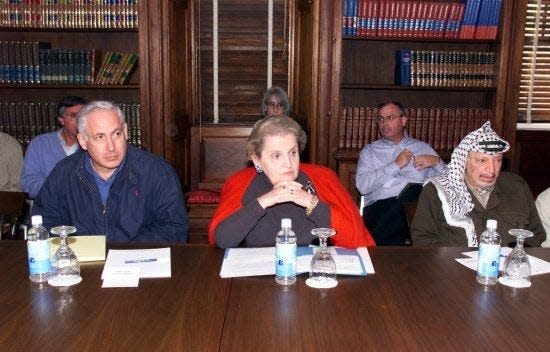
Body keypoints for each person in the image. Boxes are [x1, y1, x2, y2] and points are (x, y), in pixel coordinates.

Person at [31, 101, 188, 242]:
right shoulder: (64, 173)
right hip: (82, 264)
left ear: (126, 131)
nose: (111, 147)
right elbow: (45, 223)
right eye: (100, 137)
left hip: (139, 262)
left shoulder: (156, 172)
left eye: (116, 134)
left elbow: (174, 229)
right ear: (83, 141)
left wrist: (124, 253)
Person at [209, 116, 374, 248]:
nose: (288, 163)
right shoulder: (240, 183)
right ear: (257, 160)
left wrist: (311, 202)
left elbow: (356, 238)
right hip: (259, 279)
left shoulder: (323, 178)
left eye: (292, 153)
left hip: (313, 274)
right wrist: (265, 201)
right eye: (276, 155)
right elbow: (222, 240)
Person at [411, 121, 545, 247]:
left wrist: (516, 256)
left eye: (497, 160)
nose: (492, 170)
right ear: (464, 162)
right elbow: (423, 239)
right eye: (482, 161)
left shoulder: (516, 186)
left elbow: (536, 233)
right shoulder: (437, 190)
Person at [355, 101, 446, 245]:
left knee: (416, 191)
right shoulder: (370, 151)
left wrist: (437, 162)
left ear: (403, 120)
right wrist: (395, 165)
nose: (384, 123)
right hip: (379, 209)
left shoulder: (423, 148)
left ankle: (371, 247)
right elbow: (362, 187)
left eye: (390, 118)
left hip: (416, 210)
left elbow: (450, 186)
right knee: (414, 193)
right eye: (380, 119)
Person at [21, 96, 87, 198]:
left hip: (83, 209)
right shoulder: (40, 144)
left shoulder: (93, 145)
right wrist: (62, 187)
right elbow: (28, 185)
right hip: (48, 209)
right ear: (62, 120)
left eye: (84, 116)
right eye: (74, 116)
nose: (81, 121)